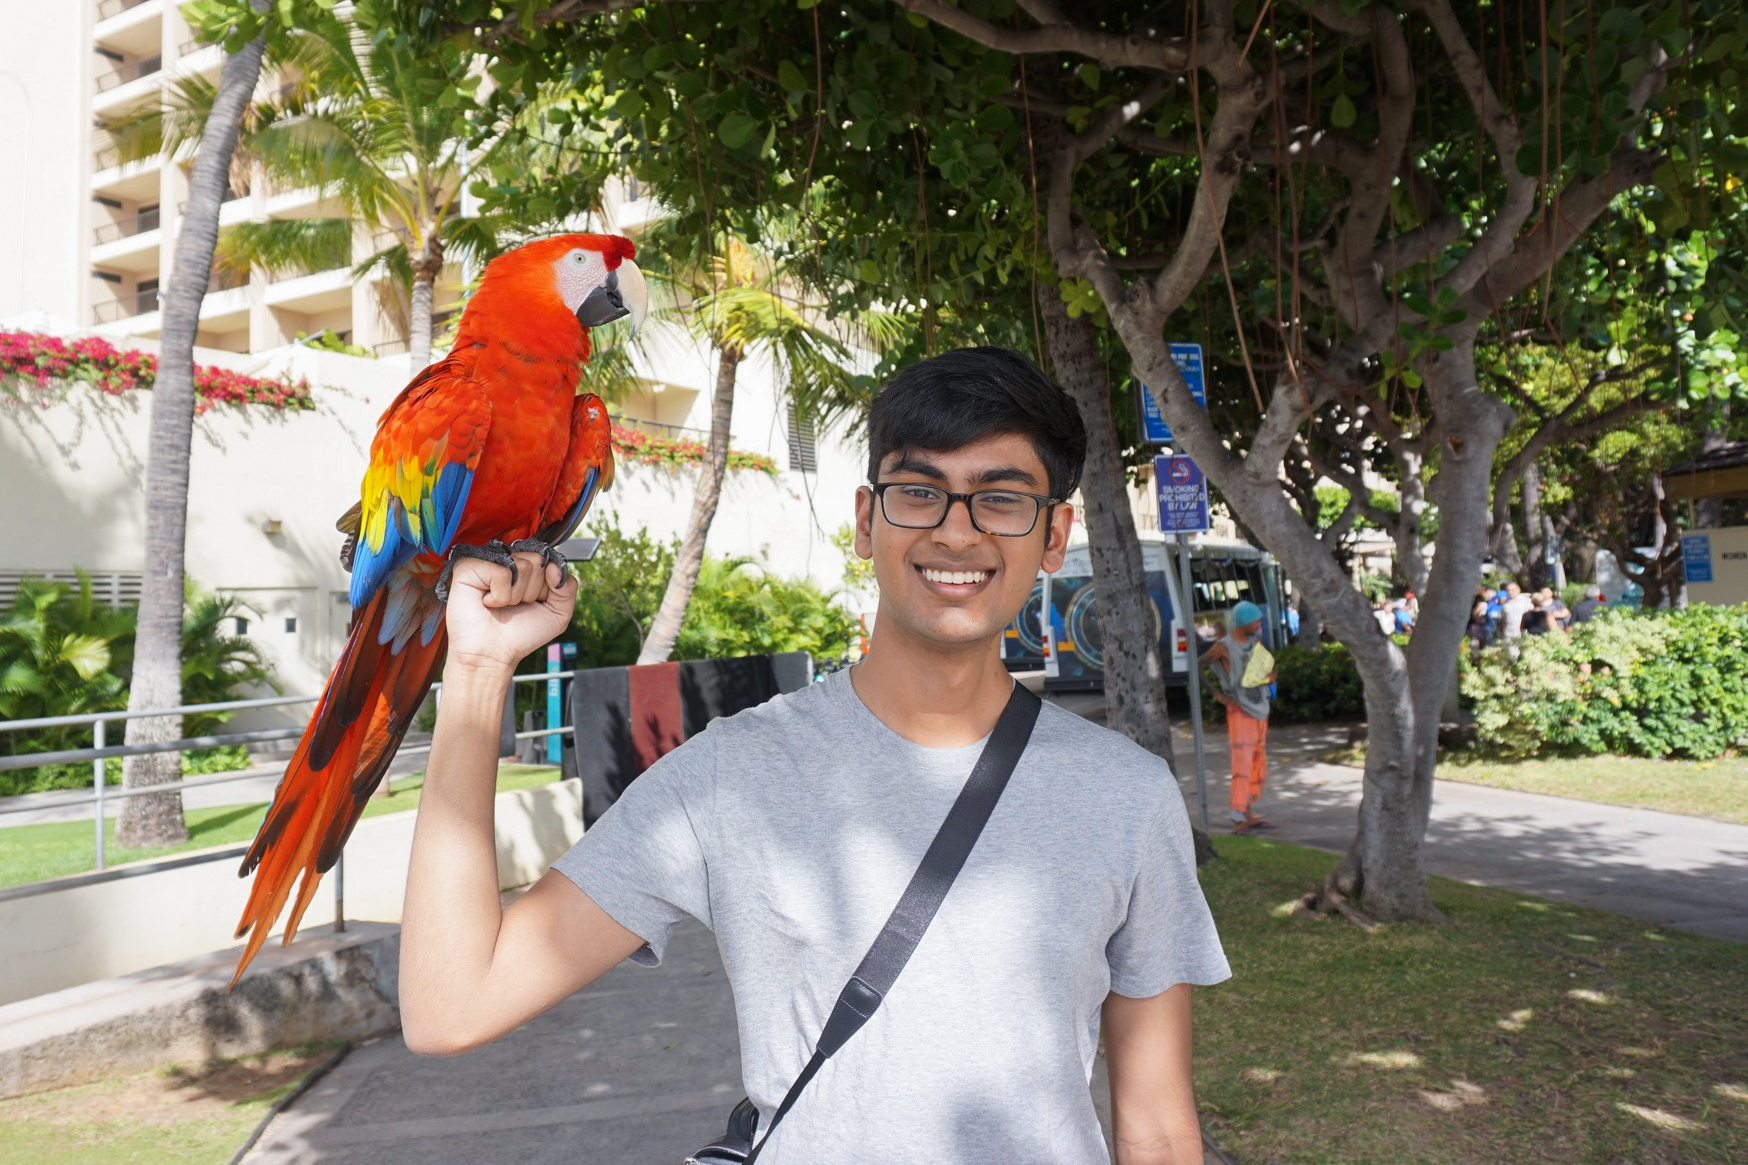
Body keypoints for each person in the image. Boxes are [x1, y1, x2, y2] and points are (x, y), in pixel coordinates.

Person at [396, 347, 1228, 1163]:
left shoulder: (1127, 796)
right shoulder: (730, 776)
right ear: (866, 520)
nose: (956, 531)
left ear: (1054, 534)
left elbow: (1158, 1131)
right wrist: (476, 669)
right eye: (919, 492)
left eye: (1001, 500)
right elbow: (450, 1004)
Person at [1200, 601, 1275, 834]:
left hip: (1259, 708)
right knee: (1242, 763)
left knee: (1257, 761)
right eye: (1256, 621)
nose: (1259, 624)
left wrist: (1269, 675)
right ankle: (1237, 817)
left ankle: (1247, 813)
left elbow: (1268, 667)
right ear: (1243, 622)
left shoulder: (1255, 642)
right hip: (1240, 711)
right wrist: (1218, 695)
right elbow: (1197, 666)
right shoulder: (1223, 647)